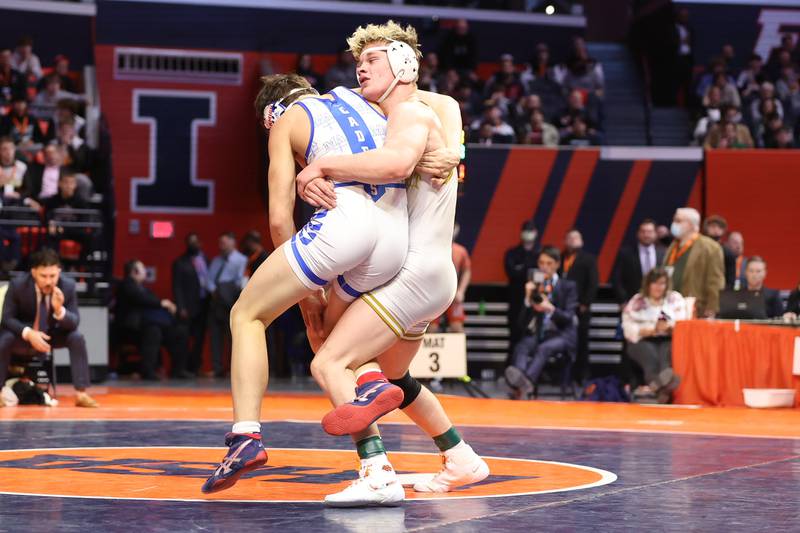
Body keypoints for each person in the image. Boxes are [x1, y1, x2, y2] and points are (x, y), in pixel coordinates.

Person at [201, 65, 451, 494]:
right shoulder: (376, 103)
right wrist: (456, 150)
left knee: (247, 314)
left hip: (346, 220)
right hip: (397, 237)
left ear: (270, 116)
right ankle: (373, 427)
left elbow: (280, 220)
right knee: (332, 344)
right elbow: (438, 113)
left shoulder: (286, 120)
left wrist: (306, 297)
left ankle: (245, 436)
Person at [293, 21, 488, 504]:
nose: (359, 67)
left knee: (331, 361)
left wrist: (319, 167)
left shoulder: (412, 111)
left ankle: (376, 474)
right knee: (394, 377)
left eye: (373, 59)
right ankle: (461, 457)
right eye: (358, 60)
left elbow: (398, 162)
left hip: (415, 272)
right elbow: (436, 141)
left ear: (404, 64)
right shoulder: (399, 115)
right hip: (429, 273)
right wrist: (451, 151)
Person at [0, 248, 97, 407]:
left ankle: (81, 394)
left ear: (59, 271)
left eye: (53, 276)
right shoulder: (18, 285)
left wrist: (60, 311)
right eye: (43, 276)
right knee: (4, 337)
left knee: (76, 337)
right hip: (24, 336)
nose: (48, 281)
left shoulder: (68, 286)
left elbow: (74, 322)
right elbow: (7, 318)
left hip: (51, 336)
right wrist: (29, 333)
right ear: (33, 272)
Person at [504, 246, 578, 399]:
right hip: (540, 333)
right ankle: (522, 384)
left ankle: (524, 383)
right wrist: (527, 299)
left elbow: (568, 317)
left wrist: (550, 309)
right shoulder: (535, 286)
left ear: (557, 264)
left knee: (544, 348)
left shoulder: (568, 286)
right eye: (541, 263)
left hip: (562, 335)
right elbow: (521, 322)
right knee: (523, 345)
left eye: (549, 263)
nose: (544, 267)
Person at [115, 259, 190, 380]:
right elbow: (142, 299)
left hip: (149, 324)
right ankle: (148, 371)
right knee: (153, 332)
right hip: (133, 328)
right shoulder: (127, 285)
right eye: (142, 268)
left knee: (179, 333)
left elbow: (152, 300)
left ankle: (179, 370)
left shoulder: (144, 288)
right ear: (134, 271)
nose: (145, 271)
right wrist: (162, 303)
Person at [621, 267, 686, 404]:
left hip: (667, 339)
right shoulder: (637, 301)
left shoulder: (675, 299)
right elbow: (628, 328)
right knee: (651, 360)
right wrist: (650, 330)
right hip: (641, 340)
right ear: (648, 284)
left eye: (662, 283)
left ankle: (651, 390)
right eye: (655, 283)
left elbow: (683, 322)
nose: (659, 287)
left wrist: (669, 327)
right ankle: (662, 389)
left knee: (665, 362)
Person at [663, 208, 725, 317]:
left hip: (696, 308)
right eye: (674, 220)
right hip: (669, 308)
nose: (674, 224)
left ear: (691, 225)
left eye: (678, 221)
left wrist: (712, 307)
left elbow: (715, 281)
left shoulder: (710, 247)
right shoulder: (673, 246)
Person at [206, 231, 247, 378]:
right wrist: (214, 290)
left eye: (223, 243)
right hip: (216, 300)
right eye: (220, 243)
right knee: (215, 336)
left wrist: (227, 291)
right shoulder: (216, 260)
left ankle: (232, 369)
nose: (221, 246)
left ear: (232, 242)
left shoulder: (241, 259)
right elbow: (209, 279)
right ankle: (217, 367)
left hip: (231, 301)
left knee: (232, 337)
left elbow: (240, 280)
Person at [560, 229, 598, 382]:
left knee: (582, 341)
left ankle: (582, 374)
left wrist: (585, 303)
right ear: (566, 240)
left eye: (577, 237)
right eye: (571, 237)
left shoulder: (588, 259)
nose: (574, 240)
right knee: (563, 339)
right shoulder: (560, 258)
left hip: (581, 307)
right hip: (563, 307)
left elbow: (593, 282)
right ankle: (563, 375)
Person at [171, 233, 209, 375]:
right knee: (184, 339)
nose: (194, 244)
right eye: (191, 242)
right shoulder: (180, 262)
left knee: (199, 339)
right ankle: (182, 368)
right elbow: (177, 287)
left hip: (203, 305)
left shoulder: (204, 259)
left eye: (196, 241)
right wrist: (181, 307)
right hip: (187, 306)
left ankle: (195, 367)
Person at [504, 220, 539, 360]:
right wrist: (526, 270)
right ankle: (511, 366)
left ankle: (533, 371)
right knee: (514, 334)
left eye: (531, 231)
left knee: (534, 335)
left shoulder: (539, 253)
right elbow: (512, 272)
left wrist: (523, 270)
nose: (528, 234)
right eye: (526, 230)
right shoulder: (512, 253)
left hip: (535, 302)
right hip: (516, 300)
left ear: (536, 233)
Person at [613, 219, 665, 304]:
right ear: (638, 233)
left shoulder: (664, 253)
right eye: (643, 231)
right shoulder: (625, 253)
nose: (646, 235)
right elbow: (617, 279)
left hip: (659, 302)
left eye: (649, 232)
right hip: (631, 302)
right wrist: (623, 301)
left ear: (656, 234)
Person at [432, 222, 470, 333]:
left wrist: (461, 291)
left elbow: (467, 271)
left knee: (457, 327)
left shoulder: (460, 251)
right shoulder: (433, 249)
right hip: (435, 295)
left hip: (453, 294)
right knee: (430, 328)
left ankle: (457, 350)